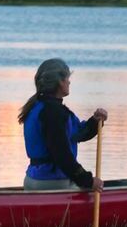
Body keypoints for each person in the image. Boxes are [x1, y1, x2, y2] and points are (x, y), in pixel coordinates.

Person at [17, 58, 108, 191]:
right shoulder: (53, 113)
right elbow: (62, 155)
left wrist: (95, 121)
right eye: (67, 78)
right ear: (60, 82)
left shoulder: (38, 107)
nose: (69, 81)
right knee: (93, 189)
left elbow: (79, 134)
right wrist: (87, 180)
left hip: (33, 180)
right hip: (51, 181)